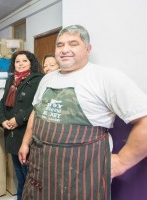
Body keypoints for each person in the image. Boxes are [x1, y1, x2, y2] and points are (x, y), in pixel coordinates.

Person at [18, 25, 147, 200]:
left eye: (73, 44)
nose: (65, 50)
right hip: (41, 172)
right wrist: (26, 142)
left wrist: (122, 162)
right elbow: (37, 111)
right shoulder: (47, 79)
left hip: (83, 178)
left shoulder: (106, 78)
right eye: (60, 45)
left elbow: (144, 122)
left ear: (88, 49)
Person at [0, 50, 43, 200]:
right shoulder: (11, 81)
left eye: (24, 61)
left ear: (31, 63)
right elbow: (3, 104)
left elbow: (38, 105)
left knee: (29, 175)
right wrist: (2, 119)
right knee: (19, 174)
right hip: (11, 133)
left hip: (27, 132)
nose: (21, 64)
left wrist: (19, 119)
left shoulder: (38, 79)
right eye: (17, 61)